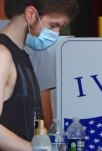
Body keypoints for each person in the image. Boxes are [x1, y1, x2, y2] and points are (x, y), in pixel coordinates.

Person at [0, 0, 78, 150]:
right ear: (30, 14)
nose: (56, 33)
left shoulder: (23, 57)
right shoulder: (2, 55)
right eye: (53, 25)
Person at [24, 46, 55, 129]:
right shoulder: (37, 49)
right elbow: (46, 119)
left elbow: (46, 119)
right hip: (25, 135)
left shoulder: (37, 50)